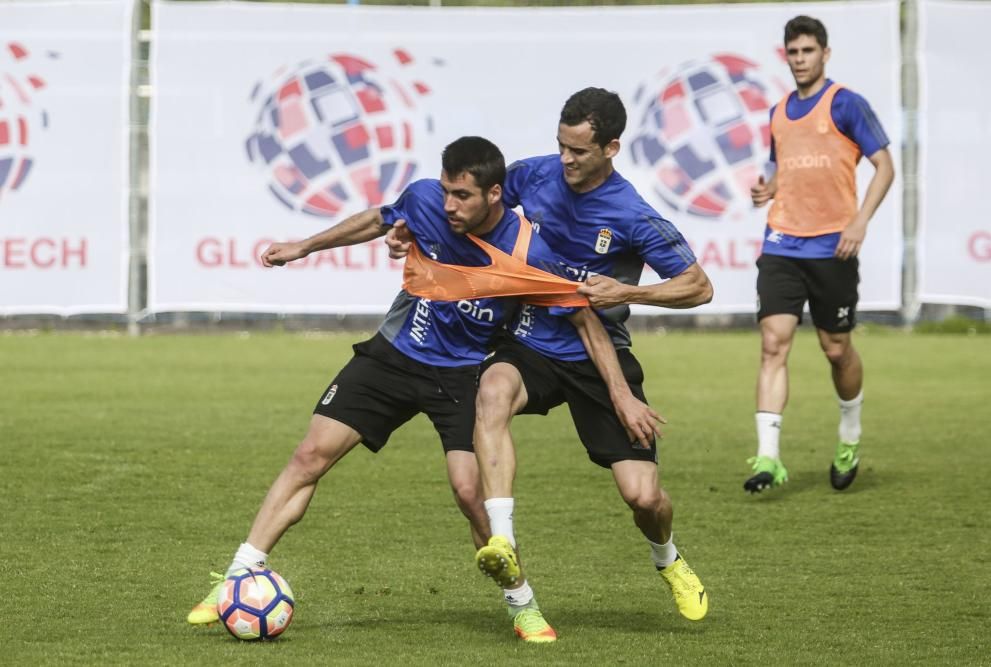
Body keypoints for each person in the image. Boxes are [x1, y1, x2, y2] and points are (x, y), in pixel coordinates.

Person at [186, 136, 662, 644]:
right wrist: (305, 246)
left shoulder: (530, 252)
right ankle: (236, 577)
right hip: (394, 355)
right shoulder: (423, 200)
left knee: (469, 492)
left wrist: (620, 393)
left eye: (462, 196)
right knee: (309, 455)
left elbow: (586, 321)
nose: (449, 205)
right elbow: (377, 219)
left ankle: (523, 605)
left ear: (495, 194)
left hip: (463, 375)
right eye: (446, 192)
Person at [388, 87, 714, 625]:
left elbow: (698, 287)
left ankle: (668, 558)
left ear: (611, 148)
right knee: (491, 394)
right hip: (530, 339)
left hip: (599, 353)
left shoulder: (631, 213)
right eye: (561, 146)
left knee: (644, 498)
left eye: (579, 152)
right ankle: (503, 540)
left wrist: (628, 293)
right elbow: (472, 200)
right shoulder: (535, 174)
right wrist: (411, 229)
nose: (566, 160)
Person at [745, 15, 894, 494]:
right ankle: (767, 459)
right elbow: (778, 166)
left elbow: (885, 166)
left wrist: (860, 220)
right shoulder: (778, 112)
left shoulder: (847, 104)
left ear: (824, 54)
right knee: (773, 343)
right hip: (782, 242)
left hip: (834, 245)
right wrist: (767, 189)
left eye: (808, 51)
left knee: (836, 349)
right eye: (793, 52)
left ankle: (849, 435)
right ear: (785, 56)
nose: (800, 60)